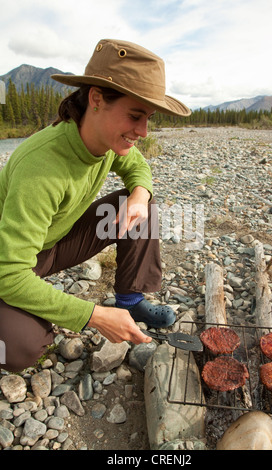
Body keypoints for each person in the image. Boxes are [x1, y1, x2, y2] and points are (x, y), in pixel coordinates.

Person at [0, 39, 191, 372]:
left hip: (50, 247)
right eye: (135, 116)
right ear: (97, 99)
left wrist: (139, 195)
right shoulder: (42, 168)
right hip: (8, 262)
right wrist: (94, 316)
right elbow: (9, 273)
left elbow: (138, 168)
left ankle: (131, 301)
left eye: (148, 118)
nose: (143, 131)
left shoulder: (105, 139)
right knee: (21, 348)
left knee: (138, 205)